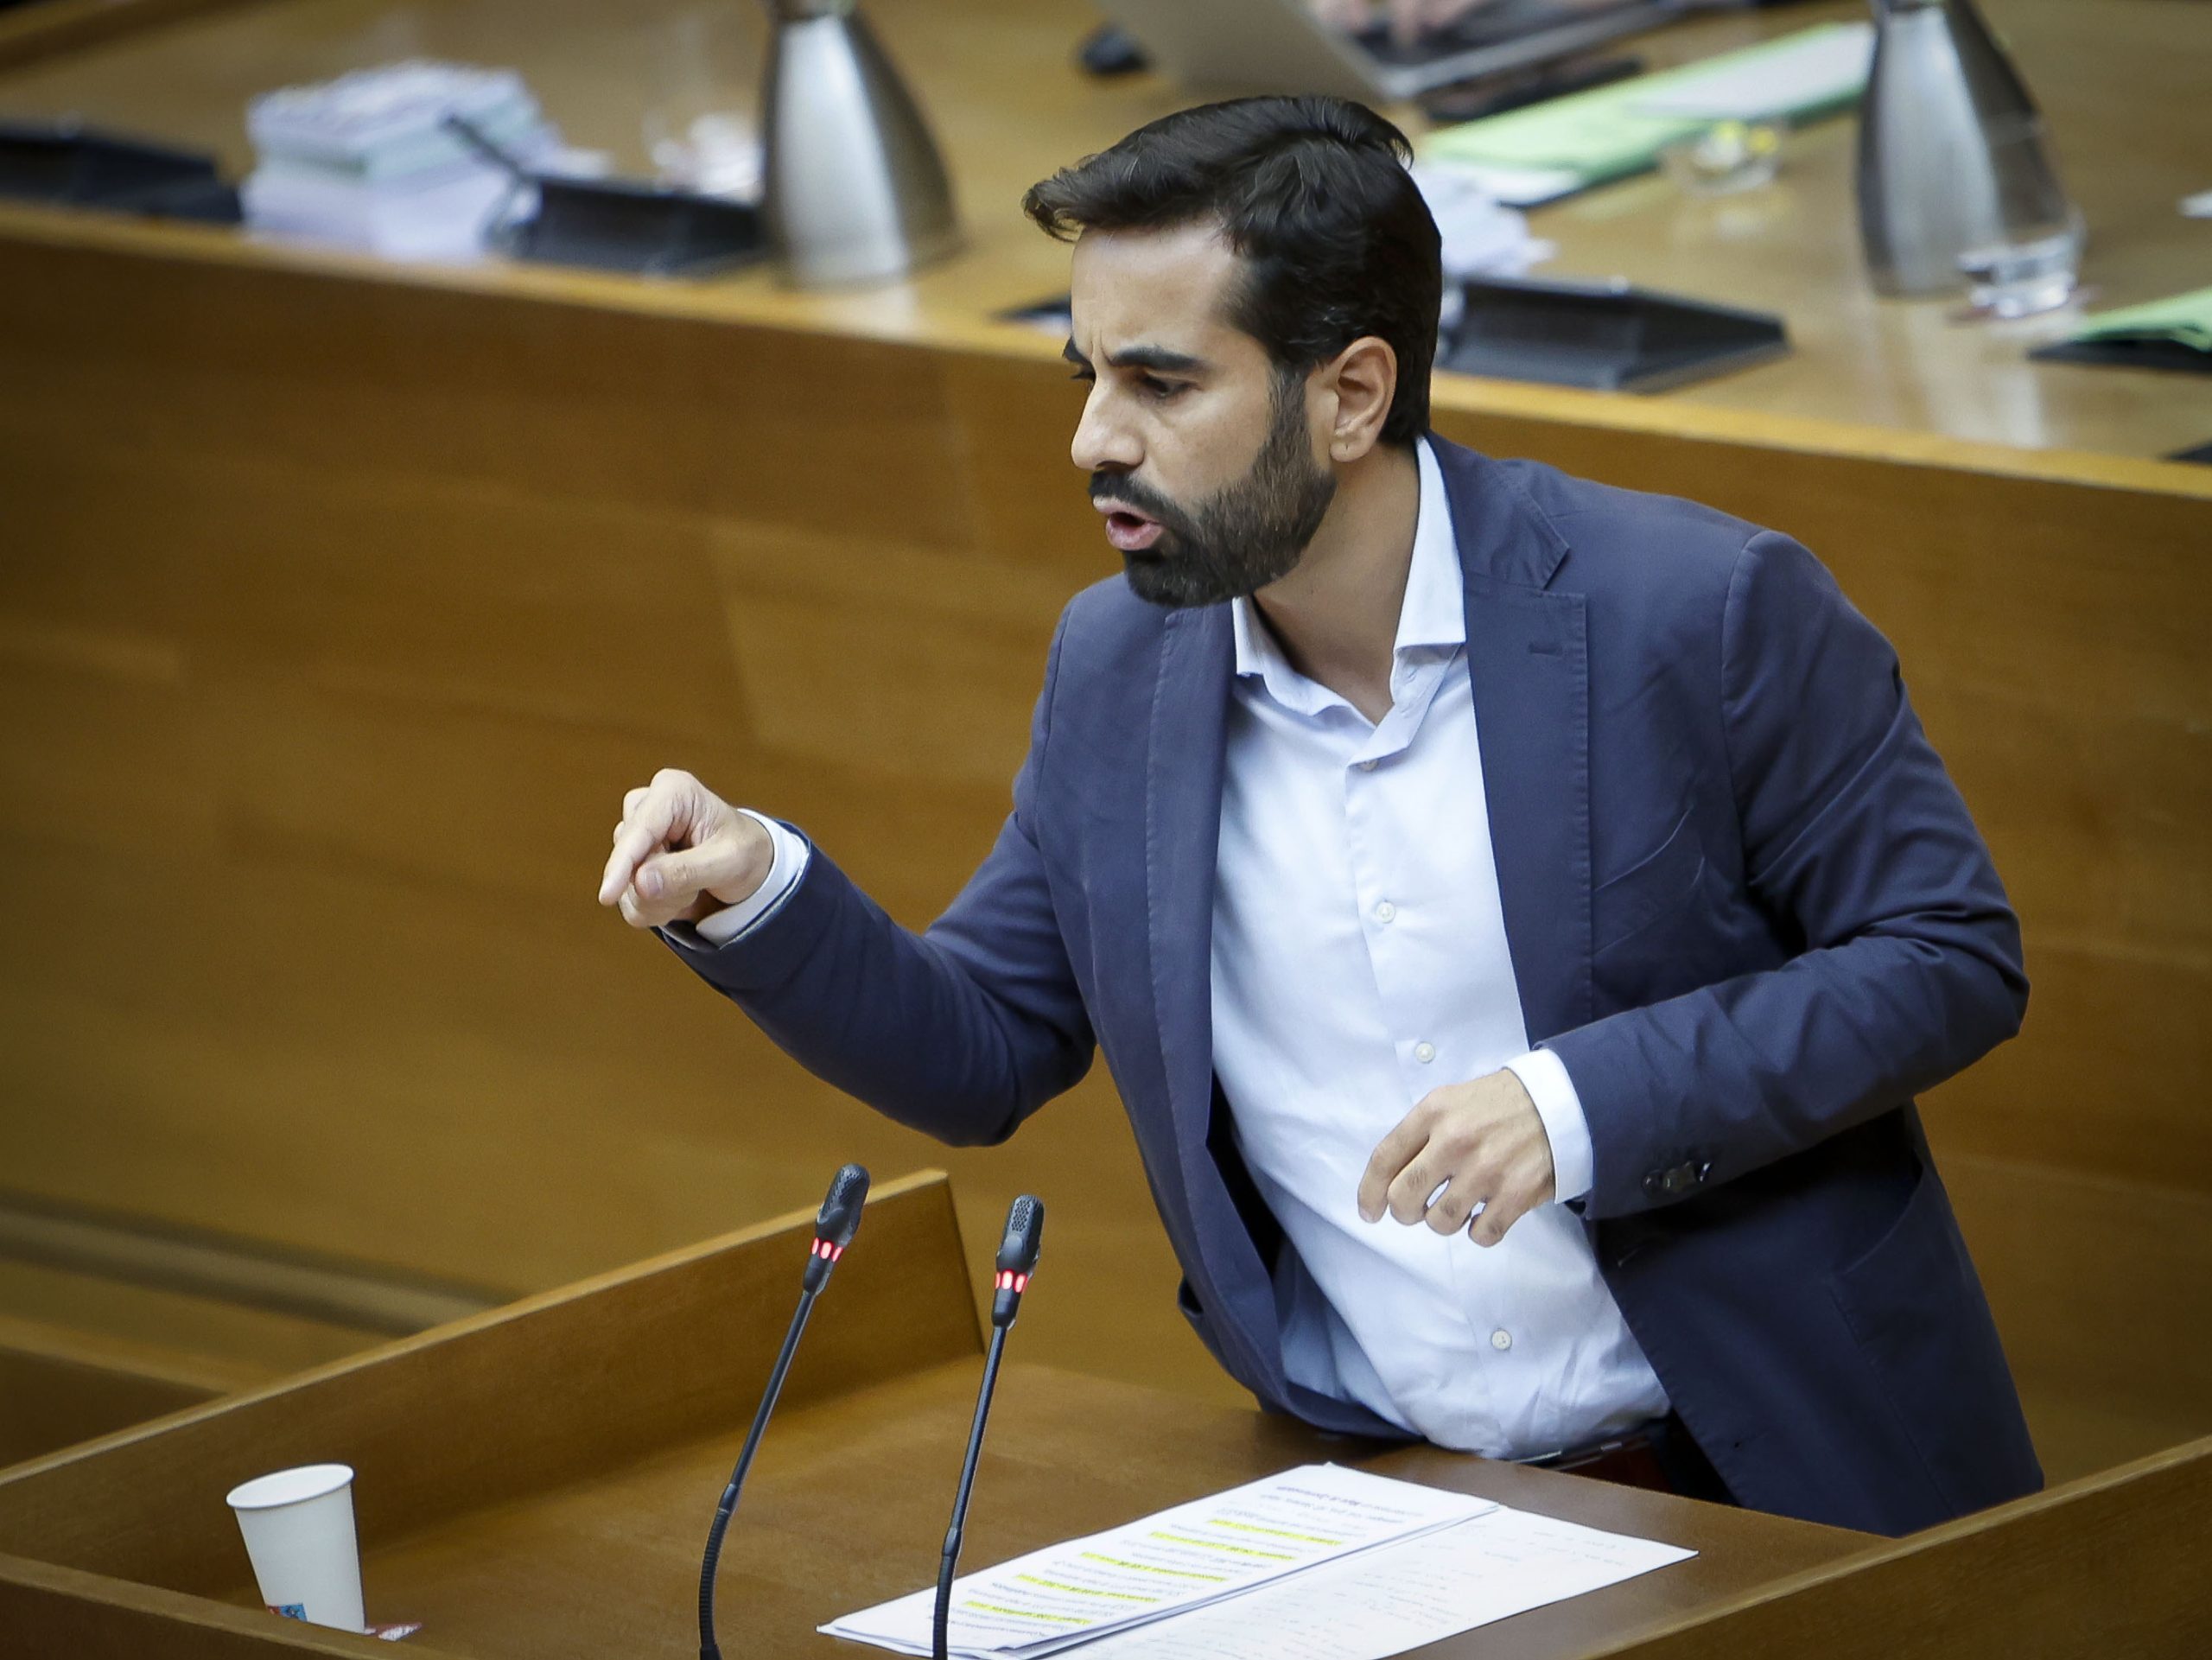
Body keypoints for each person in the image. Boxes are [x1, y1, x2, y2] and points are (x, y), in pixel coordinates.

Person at [598, 97, 2040, 1537]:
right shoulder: (1116, 676)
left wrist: (1581, 1103)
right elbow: (983, 1045)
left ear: (1351, 393)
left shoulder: (1697, 611)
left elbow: (1945, 952)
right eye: (1085, 372)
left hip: (1786, 1475)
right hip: (1402, 1509)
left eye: (1162, 384)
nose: (1095, 439)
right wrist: (757, 885)